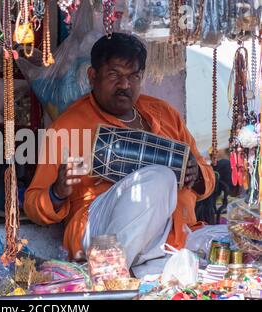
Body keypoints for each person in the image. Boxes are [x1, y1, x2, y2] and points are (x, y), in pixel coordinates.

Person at [24, 33, 215, 277]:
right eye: (114, 75)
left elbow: (207, 176)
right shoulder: (66, 128)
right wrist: (57, 192)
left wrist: (197, 176)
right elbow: (32, 204)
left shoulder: (165, 114)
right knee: (160, 178)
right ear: (93, 77)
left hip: (169, 235)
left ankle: (132, 273)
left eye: (133, 76)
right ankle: (106, 273)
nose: (125, 85)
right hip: (99, 233)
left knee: (213, 254)